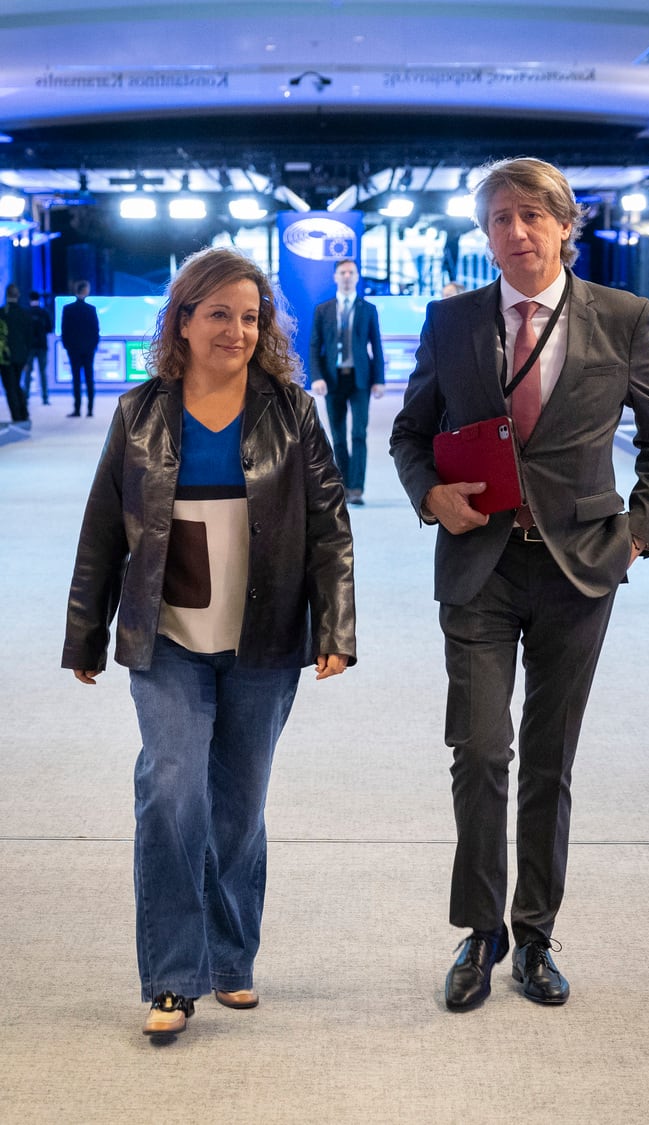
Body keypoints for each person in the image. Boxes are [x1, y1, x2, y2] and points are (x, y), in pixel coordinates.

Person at [390, 157, 649, 1012]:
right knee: (481, 749)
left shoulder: (621, 317)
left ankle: (536, 934)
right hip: (478, 564)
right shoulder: (451, 322)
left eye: (530, 215)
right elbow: (411, 433)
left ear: (564, 224)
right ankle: (479, 931)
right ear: (484, 235)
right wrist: (428, 493)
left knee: (549, 758)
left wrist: (639, 532)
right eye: (498, 219)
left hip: (579, 569)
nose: (515, 232)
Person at [62, 246, 356, 1039]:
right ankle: (172, 976)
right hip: (167, 637)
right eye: (219, 313)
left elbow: (330, 527)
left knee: (237, 805)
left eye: (250, 317)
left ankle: (230, 958)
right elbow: (103, 529)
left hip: (265, 637)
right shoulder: (139, 413)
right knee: (170, 788)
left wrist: (335, 626)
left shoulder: (292, 411)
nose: (236, 330)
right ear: (183, 320)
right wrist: (85, 632)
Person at [309, 258, 385, 505]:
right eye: (342, 272)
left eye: (351, 272)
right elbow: (315, 346)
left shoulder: (368, 309)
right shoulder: (323, 310)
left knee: (358, 433)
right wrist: (317, 377)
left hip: (360, 379)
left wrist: (379, 380)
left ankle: (357, 488)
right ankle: (343, 484)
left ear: (357, 276)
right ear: (335, 277)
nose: (347, 276)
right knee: (338, 436)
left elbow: (376, 346)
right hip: (333, 380)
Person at [61, 279, 100, 417]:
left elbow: (64, 330)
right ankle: (90, 410)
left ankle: (77, 409)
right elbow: (96, 330)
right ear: (85, 291)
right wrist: (93, 346)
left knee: (76, 380)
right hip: (88, 350)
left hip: (74, 350)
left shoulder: (68, 309)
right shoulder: (91, 309)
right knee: (89, 379)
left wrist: (68, 346)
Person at [0, 284, 31, 425]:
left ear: (6, 295)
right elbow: (29, 339)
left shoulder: (2, 313)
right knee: (17, 384)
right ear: (18, 295)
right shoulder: (24, 314)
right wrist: (26, 358)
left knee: (10, 387)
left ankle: (17, 417)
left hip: (5, 357)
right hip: (20, 356)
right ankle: (23, 414)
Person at [22, 291, 53, 405]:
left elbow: (23, 330)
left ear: (29, 299)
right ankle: (45, 397)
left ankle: (26, 397)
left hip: (29, 346)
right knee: (43, 372)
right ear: (39, 300)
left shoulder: (26, 312)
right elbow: (50, 328)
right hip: (42, 346)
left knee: (28, 372)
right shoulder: (44, 312)